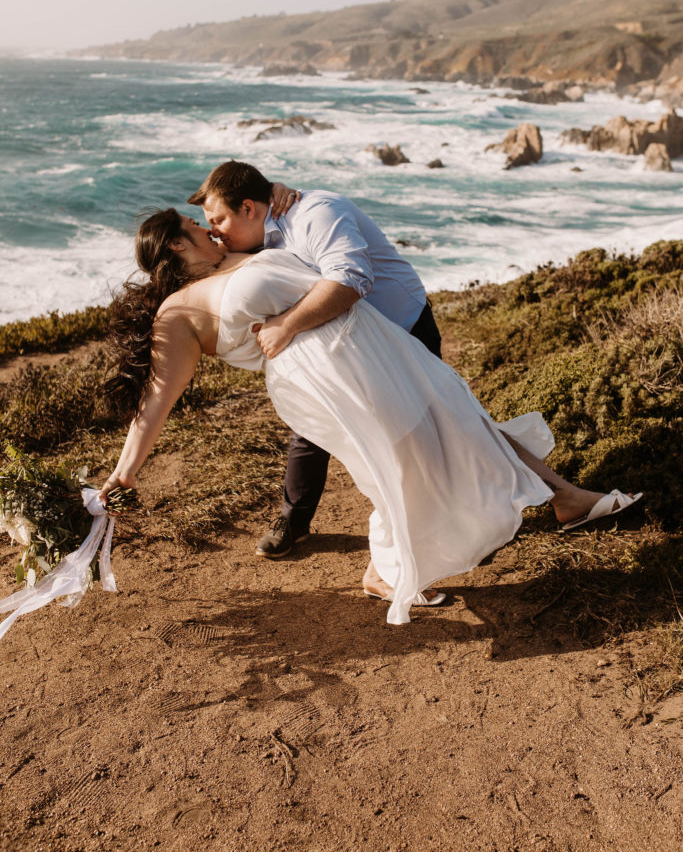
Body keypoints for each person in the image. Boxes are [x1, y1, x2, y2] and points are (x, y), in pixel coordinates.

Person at [100, 208, 641, 626]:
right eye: (195, 224)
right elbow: (156, 400)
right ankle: (390, 569)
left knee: (455, 423)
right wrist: (125, 472)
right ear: (174, 240)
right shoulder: (177, 312)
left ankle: (407, 561)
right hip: (325, 377)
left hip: (374, 343)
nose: (207, 229)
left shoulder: (241, 256)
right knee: (403, 459)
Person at [187, 161, 443, 559]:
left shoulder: (314, 213)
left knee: (433, 426)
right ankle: (295, 521)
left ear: (250, 209)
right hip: (342, 342)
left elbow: (352, 278)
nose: (215, 232)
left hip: (402, 328)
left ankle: (467, 511)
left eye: (218, 220)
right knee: (309, 423)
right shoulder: (257, 234)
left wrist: (286, 325)